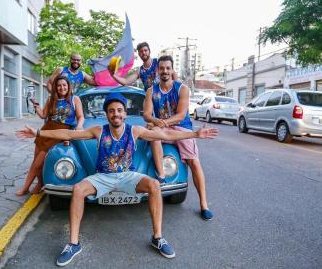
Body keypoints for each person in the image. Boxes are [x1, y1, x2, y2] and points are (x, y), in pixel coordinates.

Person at [16, 92, 219, 266]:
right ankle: (74, 243)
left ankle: (158, 238)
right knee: (78, 189)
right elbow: (70, 133)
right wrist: (39, 131)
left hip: (128, 176)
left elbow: (166, 136)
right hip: (103, 177)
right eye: (112, 111)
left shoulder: (135, 130)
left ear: (125, 113)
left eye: (119, 110)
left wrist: (195, 133)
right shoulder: (98, 130)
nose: (116, 114)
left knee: (155, 185)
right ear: (107, 114)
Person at [143, 55, 214, 220]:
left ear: (172, 70)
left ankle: (204, 204)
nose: (165, 71)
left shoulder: (182, 89)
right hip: (163, 127)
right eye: (162, 68)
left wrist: (162, 123)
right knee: (153, 135)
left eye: (168, 68)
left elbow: (181, 115)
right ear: (157, 70)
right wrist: (155, 122)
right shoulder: (151, 91)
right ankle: (161, 175)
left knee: (194, 162)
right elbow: (147, 114)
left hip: (182, 128)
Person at [15, 76, 84, 196]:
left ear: (68, 87)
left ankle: (25, 188)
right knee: (36, 162)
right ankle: (39, 183)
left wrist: (79, 127)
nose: (62, 87)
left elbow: (81, 116)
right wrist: (35, 105)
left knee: (38, 163)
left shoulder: (75, 99)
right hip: (46, 130)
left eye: (64, 85)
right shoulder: (51, 99)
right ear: (56, 88)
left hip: (60, 132)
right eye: (59, 85)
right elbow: (43, 115)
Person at [109, 42, 177, 91]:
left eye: (145, 50)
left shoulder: (158, 62)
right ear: (139, 54)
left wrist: (176, 90)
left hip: (166, 97)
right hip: (151, 102)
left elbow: (173, 74)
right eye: (141, 51)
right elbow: (126, 81)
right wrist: (113, 75)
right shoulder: (140, 71)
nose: (143, 53)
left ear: (149, 51)